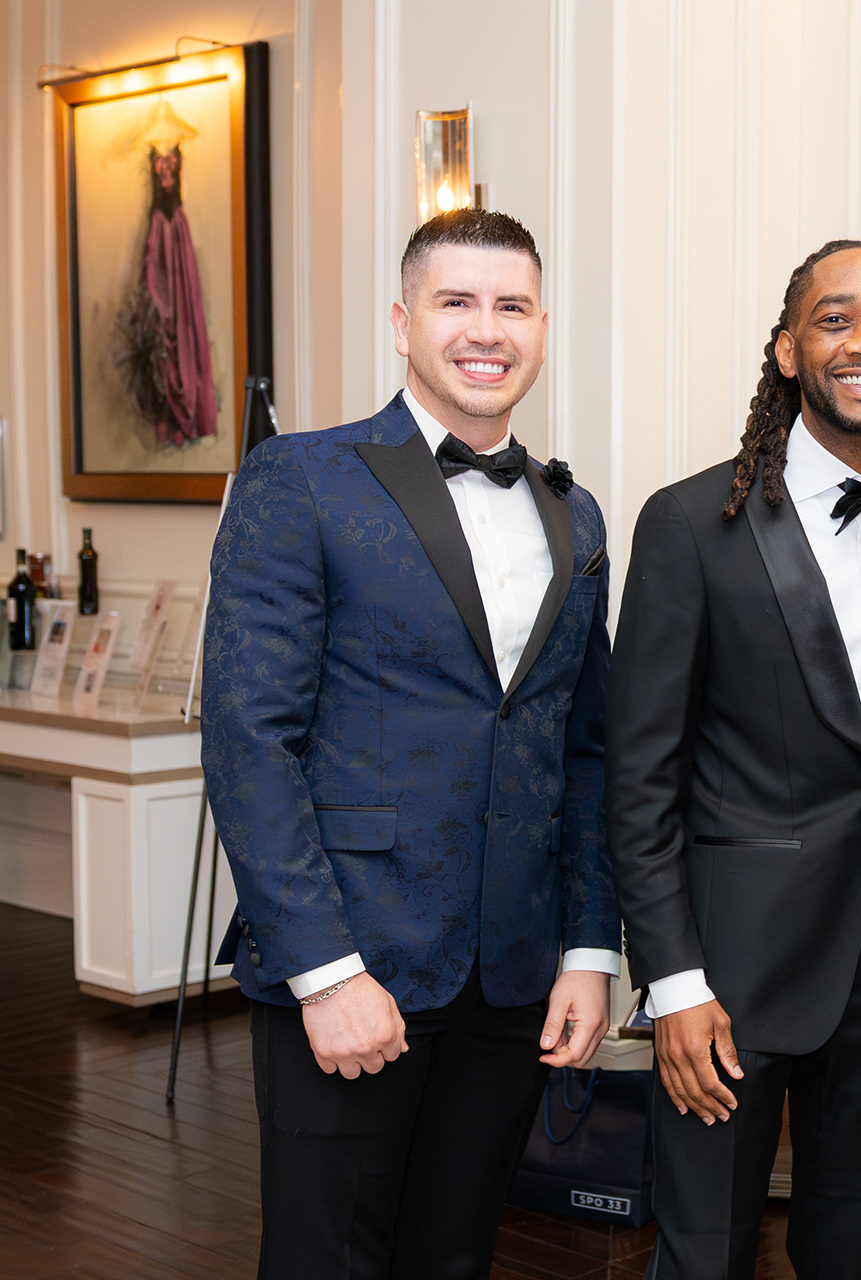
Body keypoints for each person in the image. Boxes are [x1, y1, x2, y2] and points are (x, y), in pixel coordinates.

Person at [201, 209, 621, 1280]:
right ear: (402, 322)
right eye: (456, 302)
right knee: (327, 1259)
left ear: (541, 328)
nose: (487, 329)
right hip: (353, 960)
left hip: (512, 977)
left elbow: (583, 750)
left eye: (513, 305)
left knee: (457, 1254)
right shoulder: (301, 478)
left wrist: (588, 950)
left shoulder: (577, 517)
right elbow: (251, 739)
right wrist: (324, 972)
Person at [605, 240, 861, 1279]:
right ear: (787, 348)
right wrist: (673, 983)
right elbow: (639, 779)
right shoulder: (690, 523)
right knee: (705, 1254)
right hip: (730, 977)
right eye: (835, 318)